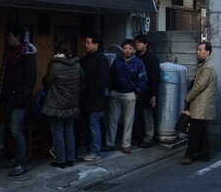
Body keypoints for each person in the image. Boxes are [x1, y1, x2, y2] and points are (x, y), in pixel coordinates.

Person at [0, 26, 37, 176]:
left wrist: (22, 96)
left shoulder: (26, 55)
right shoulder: (10, 52)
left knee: (16, 130)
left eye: (10, 36)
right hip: (10, 96)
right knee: (11, 130)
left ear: (18, 38)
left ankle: (22, 163)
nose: (7, 39)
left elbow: (30, 79)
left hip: (19, 99)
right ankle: (15, 157)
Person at [41, 42, 85, 169]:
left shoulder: (55, 66)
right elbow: (83, 82)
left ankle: (61, 160)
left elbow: (47, 82)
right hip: (72, 103)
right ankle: (70, 158)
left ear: (57, 51)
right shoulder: (77, 65)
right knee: (69, 130)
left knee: (58, 132)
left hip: (57, 104)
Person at [104, 39, 147, 154]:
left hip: (130, 94)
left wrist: (136, 93)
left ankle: (126, 145)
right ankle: (109, 143)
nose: (127, 50)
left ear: (134, 50)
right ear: (122, 49)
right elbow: (110, 75)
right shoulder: (117, 61)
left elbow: (143, 80)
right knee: (112, 120)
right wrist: (111, 89)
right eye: (125, 48)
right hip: (116, 93)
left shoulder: (138, 63)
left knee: (128, 121)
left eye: (130, 48)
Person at [182, 42, 217, 165]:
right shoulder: (204, 65)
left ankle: (190, 154)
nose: (197, 52)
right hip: (200, 103)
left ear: (207, 52)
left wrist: (188, 97)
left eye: (200, 50)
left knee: (195, 131)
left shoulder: (208, 67)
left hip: (202, 103)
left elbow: (199, 86)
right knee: (200, 130)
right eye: (197, 49)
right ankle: (204, 153)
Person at [80, 33, 110, 162]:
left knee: (94, 125)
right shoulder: (86, 58)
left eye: (89, 42)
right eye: (86, 42)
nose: (86, 45)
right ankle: (89, 148)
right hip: (85, 96)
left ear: (96, 45)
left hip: (96, 97)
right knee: (87, 125)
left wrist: (92, 94)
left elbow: (101, 80)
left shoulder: (102, 59)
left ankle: (95, 152)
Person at [134, 34, 161, 148]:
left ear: (145, 44)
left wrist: (153, 94)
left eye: (139, 43)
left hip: (148, 91)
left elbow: (155, 77)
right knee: (138, 115)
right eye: (136, 43)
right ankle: (139, 137)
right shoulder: (135, 56)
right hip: (137, 91)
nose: (137, 45)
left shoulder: (151, 57)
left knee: (147, 116)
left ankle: (149, 138)